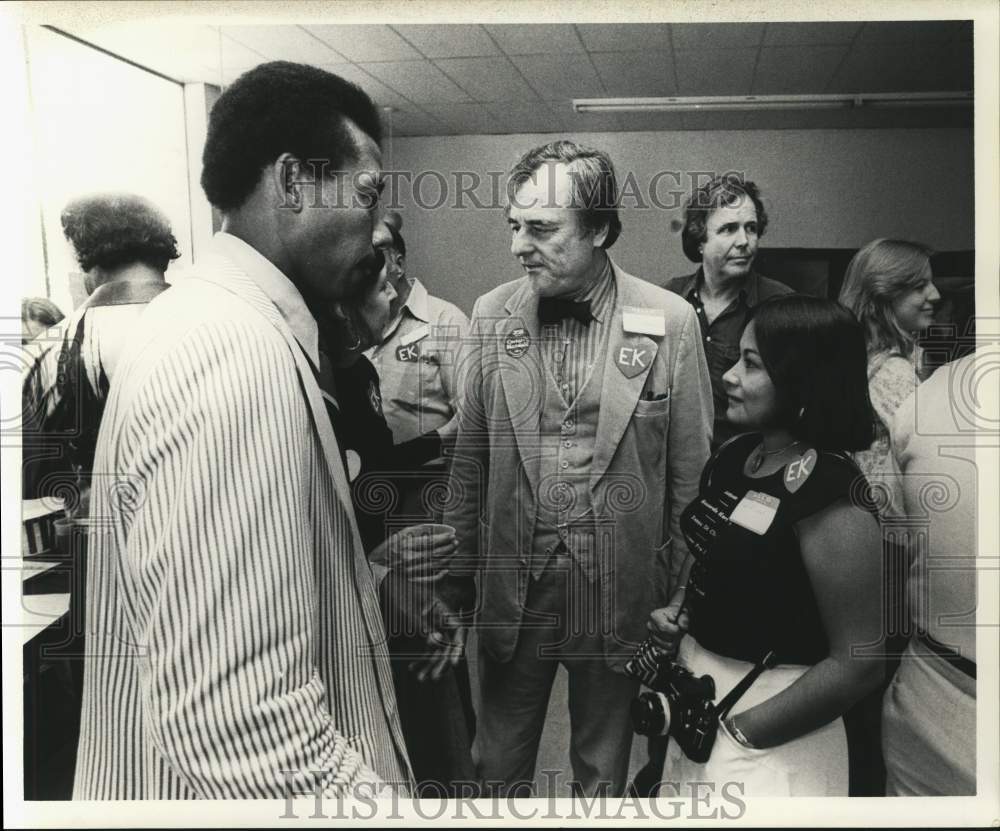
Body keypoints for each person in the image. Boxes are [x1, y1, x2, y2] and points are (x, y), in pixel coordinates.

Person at [73, 61, 412, 799]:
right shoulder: (228, 348)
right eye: (368, 193)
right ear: (292, 182)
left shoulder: (231, 325)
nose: (380, 227)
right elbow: (243, 728)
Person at [443, 140, 713, 796]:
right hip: (515, 591)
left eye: (541, 228)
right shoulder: (490, 314)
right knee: (495, 766)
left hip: (619, 595)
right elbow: (469, 463)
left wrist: (677, 601)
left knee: (602, 773)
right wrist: (453, 583)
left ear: (597, 228)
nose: (518, 245)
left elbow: (692, 482)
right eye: (513, 225)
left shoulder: (670, 323)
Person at [646, 294, 885, 796]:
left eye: (751, 364)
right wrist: (679, 610)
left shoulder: (832, 494)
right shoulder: (735, 457)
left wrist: (745, 731)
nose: (730, 375)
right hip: (701, 697)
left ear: (803, 379)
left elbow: (859, 661)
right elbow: (713, 557)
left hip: (774, 726)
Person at [322, 260, 476, 795]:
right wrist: (381, 561)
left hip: (400, 534)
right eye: (381, 288)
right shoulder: (333, 373)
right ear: (346, 306)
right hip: (368, 557)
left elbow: (373, 465)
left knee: (433, 692)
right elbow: (362, 471)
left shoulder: (440, 328)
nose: (394, 295)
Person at [22, 194, 176, 501]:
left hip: (95, 537)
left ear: (82, 255)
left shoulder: (42, 357)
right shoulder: (229, 329)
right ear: (164, 253)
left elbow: (29, 484)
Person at [880, 352, 980, 795]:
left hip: (928, 688)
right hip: (931, 693)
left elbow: (894, 547)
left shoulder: (926, 396)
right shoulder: (926, 399)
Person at [663, 174, 792, 449]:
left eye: (752, 228)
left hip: (746, 465)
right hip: (674, 462)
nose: (745, 241)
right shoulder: (667, 300)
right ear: (700, 239)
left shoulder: (781, 305)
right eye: (729, 229)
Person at [838, 238, 941, 480]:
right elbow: (932, 452)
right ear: (883, 296)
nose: (935, 294)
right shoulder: (891, 371)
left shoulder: (864, 355)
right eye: (920, 287)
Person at [366, 223, 470, 448]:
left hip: (431, 477)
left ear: (399, 264)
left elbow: (472, 415)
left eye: (376, 254)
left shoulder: (446, 321)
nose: (367, 265)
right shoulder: (354, 323)